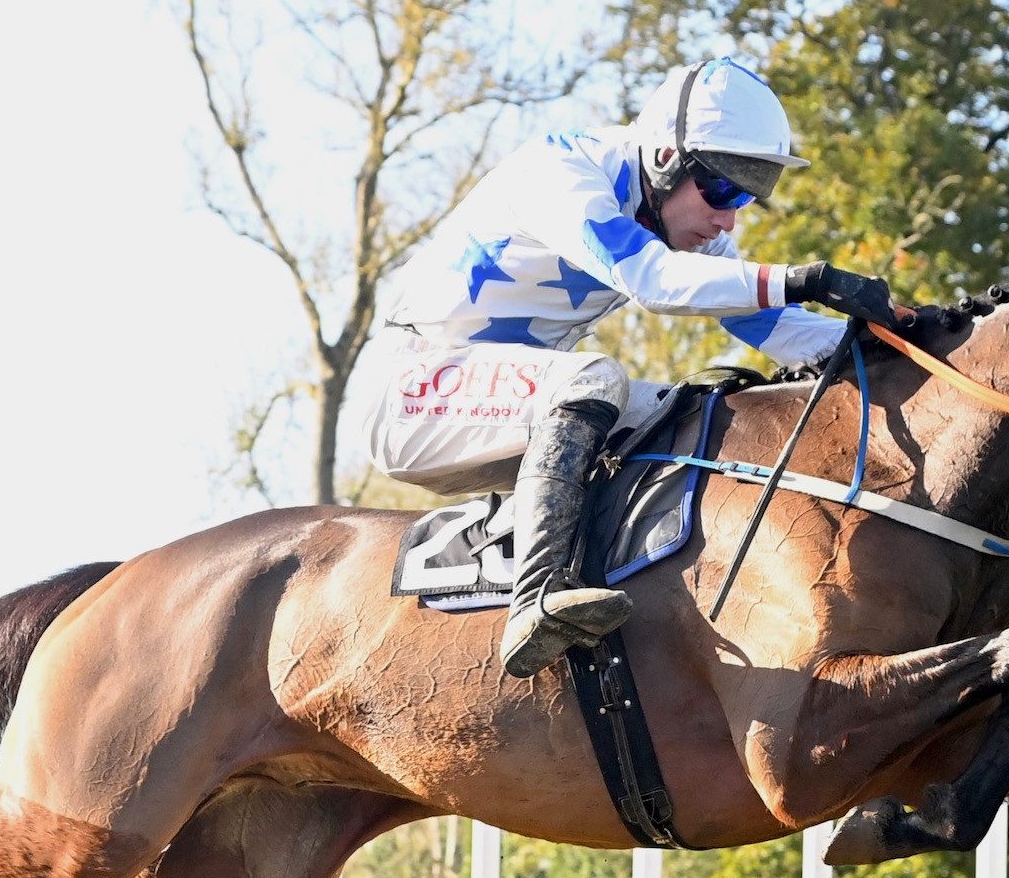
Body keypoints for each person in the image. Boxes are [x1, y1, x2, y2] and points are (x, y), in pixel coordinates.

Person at [361, 57, 897, 678]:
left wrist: (894, 348)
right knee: (595, 378)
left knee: (696, 411)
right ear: (666, 159)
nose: (728, 218)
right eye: (722, 189)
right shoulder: (559, 171)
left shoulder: (685, 220)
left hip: (510, 403)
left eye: (747, 196)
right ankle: (536, 599)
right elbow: (649, 279)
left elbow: (768, 327)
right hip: (415, 392)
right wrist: (809, 279)